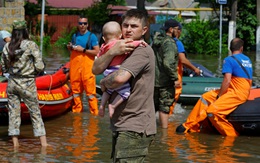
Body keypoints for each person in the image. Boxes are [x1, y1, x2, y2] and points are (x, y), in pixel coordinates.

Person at [92, 9, 156, 162]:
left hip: (135, 125)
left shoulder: (141, 51)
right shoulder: (118, 47)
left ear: (144, 30)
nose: (128, 30)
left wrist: (103, 83)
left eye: (134, 26)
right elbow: (95, 69)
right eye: (125, 25)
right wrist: (111, 52)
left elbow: (120, 78)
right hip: (122, 123)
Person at [176, 38, 253, 136]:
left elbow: (227, 80)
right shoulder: (248, 59)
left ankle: (232, 136)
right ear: (241, 48)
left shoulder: (229, 60)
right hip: (239, 90)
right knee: (206, 97)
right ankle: (190, 125)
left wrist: (219, 96)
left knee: (212, 111)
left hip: (236, 93)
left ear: (230, 48)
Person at [1, 20, 48, 147]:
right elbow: (39, 66)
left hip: (12, 83)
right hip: (27, 83)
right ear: (25, 31)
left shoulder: (7, 46)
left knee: (13, 114)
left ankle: (15, 146)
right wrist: (33, 70)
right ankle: (44, 146)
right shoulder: (31, 45)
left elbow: (4, 68)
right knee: (35, 113)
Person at [98, 21, 143, 118]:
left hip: (107, 71)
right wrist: (140, 42)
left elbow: (99, 57)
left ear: (103, 38)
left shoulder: (103, 46)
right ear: (120, 35)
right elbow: (131, 44)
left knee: (107, 91)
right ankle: (113, 106)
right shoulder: (119, 43)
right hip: (116, 70)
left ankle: (102, 105)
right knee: (126, 93)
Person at [67, 15, 100, 114]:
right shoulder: (74, 36)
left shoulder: (92, 36)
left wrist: (83, 50)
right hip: (75, 68)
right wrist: (70, 47)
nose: (82, 25)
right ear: (78, 25)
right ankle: (77, 114)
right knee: (76, 92)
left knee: (90, 93)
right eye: (80, 23)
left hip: (87, 68)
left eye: (84, 23)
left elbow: (96, 52)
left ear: (87, 25)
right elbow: (72, 51)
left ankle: (94, 114)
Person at [152, 19, 179, 129]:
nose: (179, 32)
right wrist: (175, 77)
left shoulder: (157, 41)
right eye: (177, 29)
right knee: (164, 108)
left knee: (151, 108)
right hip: (165, 82)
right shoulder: (169, 43)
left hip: (153, 81)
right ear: (171, 30)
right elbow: (168, 63)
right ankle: (164, 137)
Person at [169, 22, 201, 114]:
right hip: (174, 76)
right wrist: (195, 69)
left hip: (161, 76)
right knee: (171, 101)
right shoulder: (177, 43)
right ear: (178, 31)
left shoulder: (161, 42)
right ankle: (168, 126)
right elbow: (182, 60)